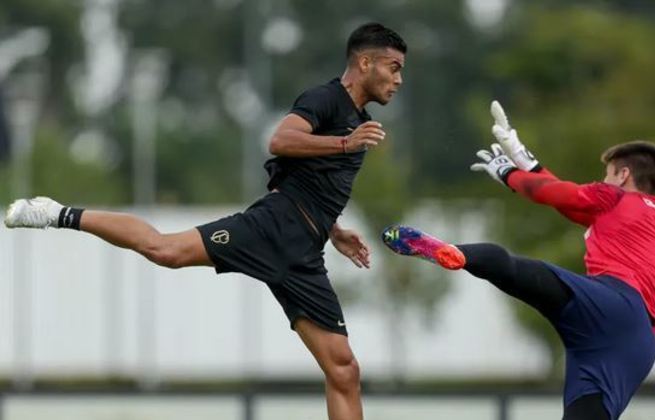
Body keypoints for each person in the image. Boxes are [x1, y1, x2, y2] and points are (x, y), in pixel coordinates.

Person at [4, 22, 407, 420]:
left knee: (344, 370)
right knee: (164, 250)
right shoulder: (326, 99)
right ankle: (56, 213)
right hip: (273, 228)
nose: (398, 79)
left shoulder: (359, 119)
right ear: (365, 62)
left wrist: (333, 230)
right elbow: (280, 140)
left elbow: (295, 173)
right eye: (393, 67)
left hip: (305, 251)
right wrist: (343, 143)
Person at [382, 101, 655, 420]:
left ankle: (457, 254)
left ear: (623, 174)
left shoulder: (615, 197)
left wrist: (509, 173)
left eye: (606, 175)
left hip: (611, 306)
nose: (602, 182)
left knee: (514, 270)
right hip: (639, 345)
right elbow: (570, 202)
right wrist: (524, 157)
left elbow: (555, 195)